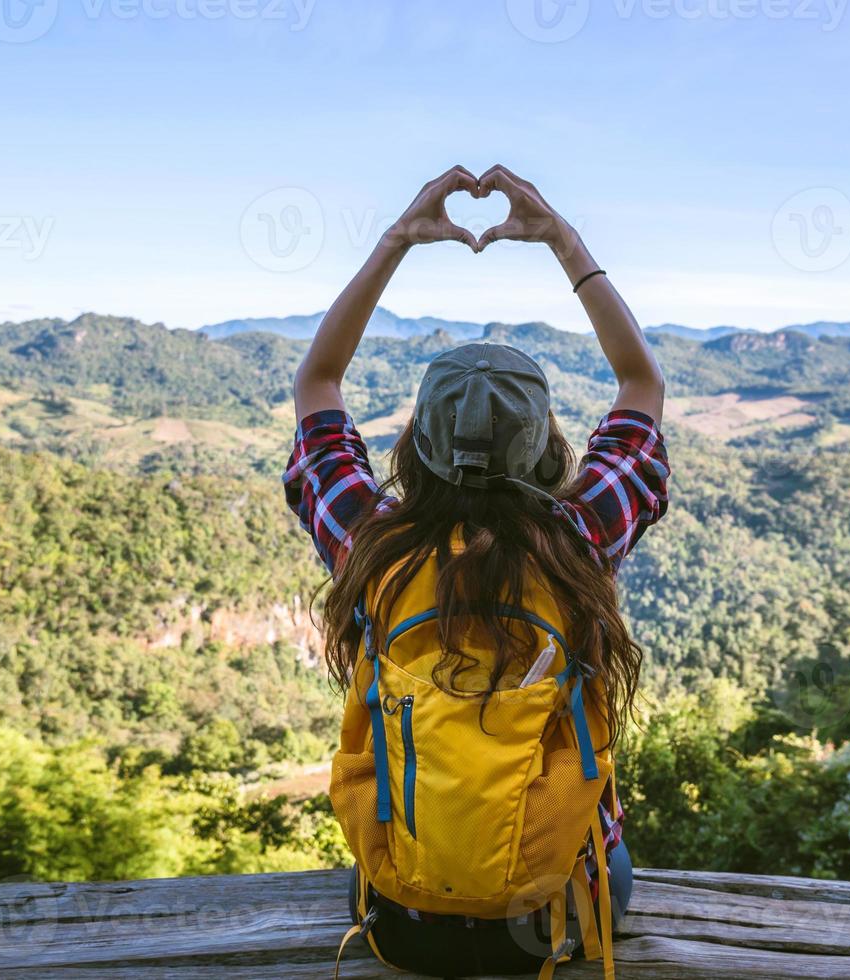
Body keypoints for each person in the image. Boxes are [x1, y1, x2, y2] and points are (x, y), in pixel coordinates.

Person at [284, 164, 668, 978]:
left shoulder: (371, 543)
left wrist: (396, 240)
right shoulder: (580, 538)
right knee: (604, 845)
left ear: (418, 442)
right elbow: (641, 383)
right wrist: (563, 239)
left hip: (407, 910)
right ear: (546, 443)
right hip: (561, 905)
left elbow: (317, 384)